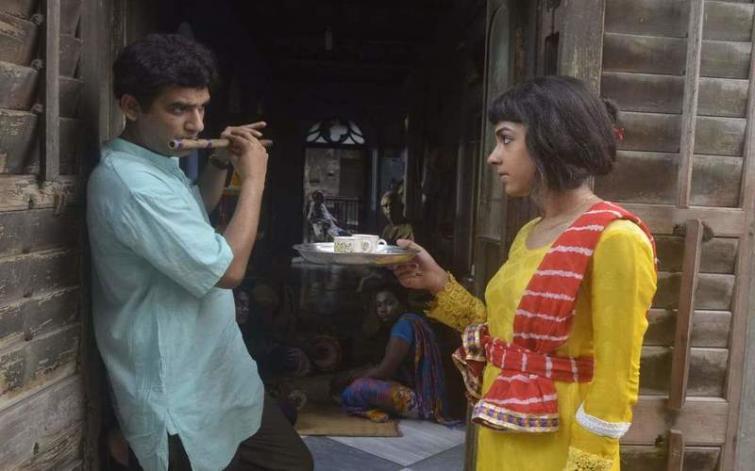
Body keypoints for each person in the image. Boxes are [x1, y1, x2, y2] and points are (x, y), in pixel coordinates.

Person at [393, 76, 657, 471]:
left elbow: (617, 377)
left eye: (506, 139)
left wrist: (588, 461)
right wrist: (438, 284)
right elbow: (506, 337)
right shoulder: (530, 232)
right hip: (504, 427)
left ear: (550, 140)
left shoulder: (616, 238)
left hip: (558, 441)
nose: (493, 157)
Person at [87, 34, 312, 471]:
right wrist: (254, 180)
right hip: (176, 393)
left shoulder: (156, 161)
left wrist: (220, 162)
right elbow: (227, 271)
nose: (196, 125)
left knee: (293, 462)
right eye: (179, 109)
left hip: (220, 375)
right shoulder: (132, 183)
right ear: (131, 107)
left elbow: (193, 214)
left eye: (202, 108)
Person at [333, 284, 455, 424]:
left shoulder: (402, 326)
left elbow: (384, 371)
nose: (383, 309)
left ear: (402, 304)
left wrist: (350, 376)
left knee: (355, 389)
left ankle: (370, 411)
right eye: (379, 305)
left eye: (389, 303)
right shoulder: (412, 321)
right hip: (430, 400)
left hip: (421, 404)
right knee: (361, 380)